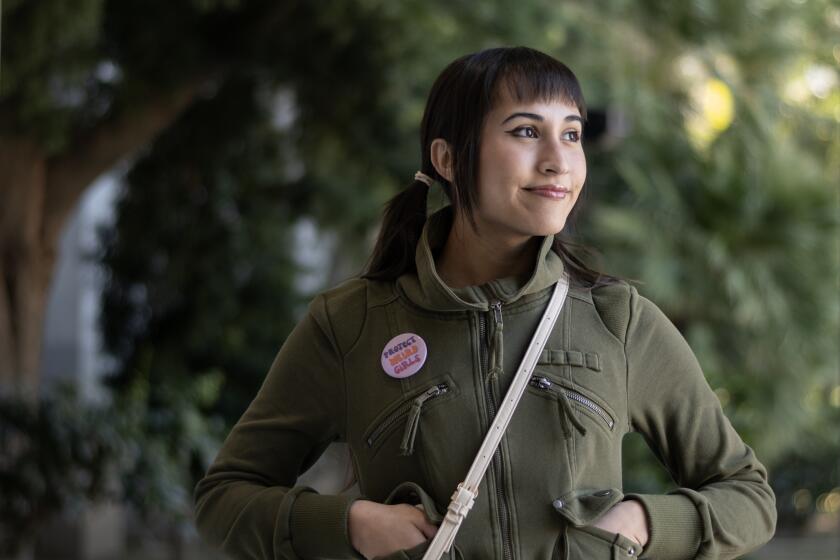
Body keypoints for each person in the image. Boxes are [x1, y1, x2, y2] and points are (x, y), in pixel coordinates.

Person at [194, 46, 776, 559]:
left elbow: (748, 496)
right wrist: (349, 525)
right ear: (448, 159)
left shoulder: (617, 321)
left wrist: (644, 522)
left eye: (571, 134)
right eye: (526, 131)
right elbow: (224, 498)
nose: (558, 160)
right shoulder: (349, 325)